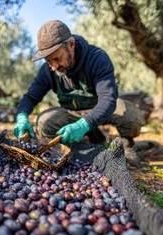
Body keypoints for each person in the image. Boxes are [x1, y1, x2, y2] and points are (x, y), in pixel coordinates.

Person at [13, 20, 145, 165]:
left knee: (131, 116)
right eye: (48, 61)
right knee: (44, 122)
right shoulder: (48, 70)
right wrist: (21, 116)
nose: (54, 66)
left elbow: (108, 100)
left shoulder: (97, 59)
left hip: (99, 109)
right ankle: (86, 140)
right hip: (71, 113)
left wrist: (84, 124)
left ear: (71, 45)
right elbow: (31, 97)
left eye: (57, 58)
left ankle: (126, 145)